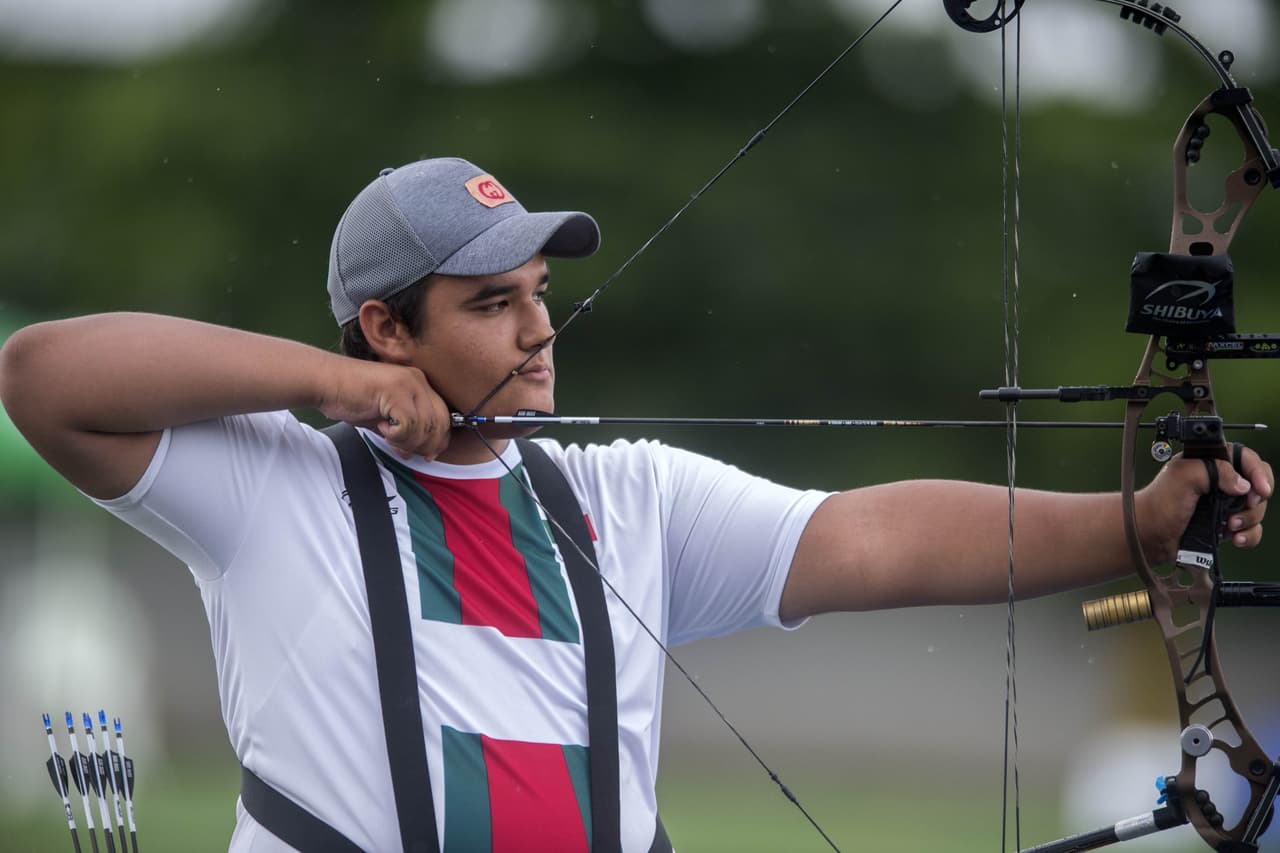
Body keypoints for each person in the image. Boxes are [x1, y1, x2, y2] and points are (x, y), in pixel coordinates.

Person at [0, 157, 1270, 853]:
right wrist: (335, 388)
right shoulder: (276, 484)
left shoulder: (623, 494)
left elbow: (869, 536)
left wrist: (1134, 522)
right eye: (490, 304)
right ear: (385, 328)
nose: (538, 332)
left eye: (537, 296)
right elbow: (41, 374)